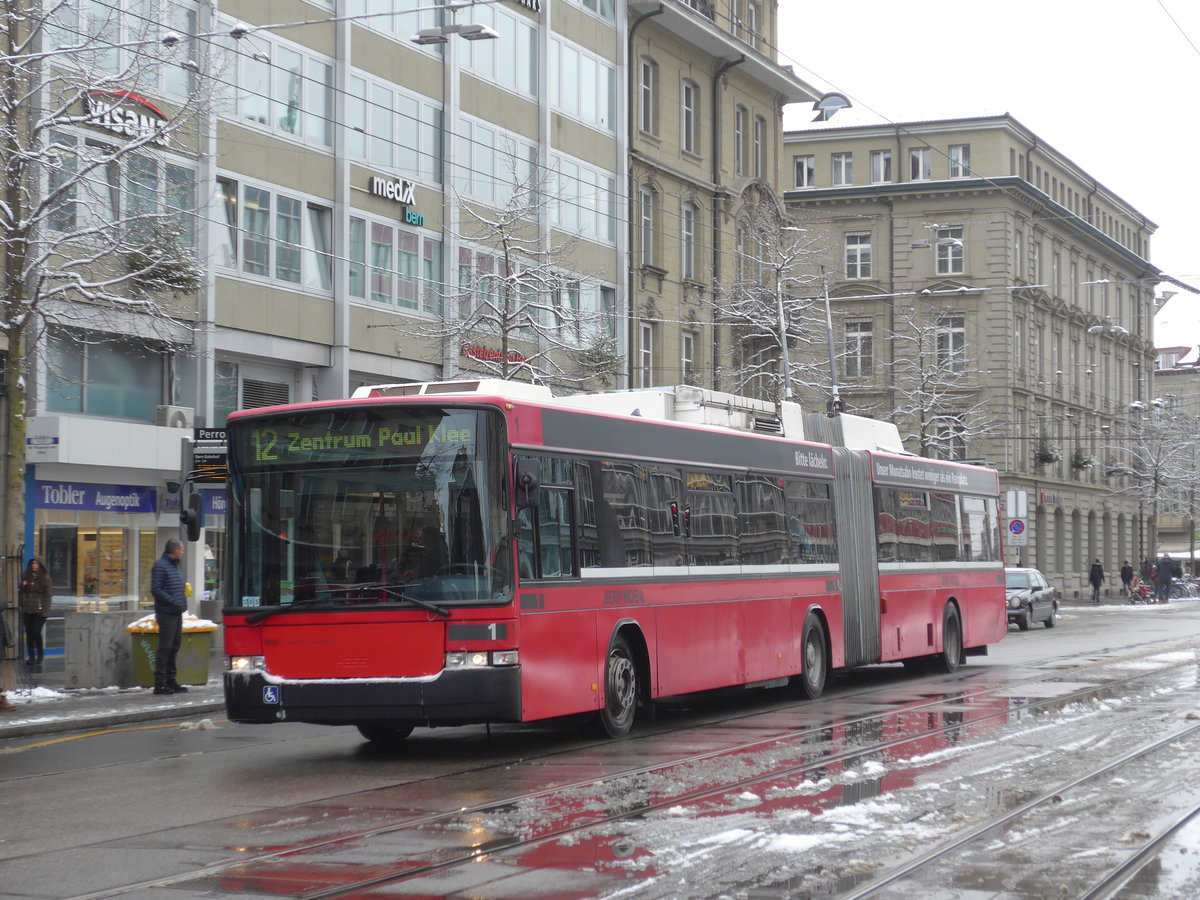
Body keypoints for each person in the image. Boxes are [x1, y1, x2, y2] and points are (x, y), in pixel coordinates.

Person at [150, 539, 189, 695]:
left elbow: (180, 588)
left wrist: (183, 604)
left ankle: (171, 681)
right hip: (166, 612)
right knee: (165, 648)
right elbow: (156, 590)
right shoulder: (160, 566)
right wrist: (174, 602)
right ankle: (160, 684)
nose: (183, 552)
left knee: (174, 647)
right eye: (182, 549)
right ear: (175, 550)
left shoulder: (175, 566)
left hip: (176, 611)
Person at [18, 557, 53, 669]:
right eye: (32, 563)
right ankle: (32, 657)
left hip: (39, 610)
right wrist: (22, 586)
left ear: (40, 565)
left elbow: (48, 596)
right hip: (27, 609)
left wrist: (45, 612)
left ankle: (40, 653)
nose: (34, 565)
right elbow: (20, 592)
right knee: (29, 633)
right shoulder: (26, 577)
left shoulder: (45, 578)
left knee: (36, 632)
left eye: (36, 564)